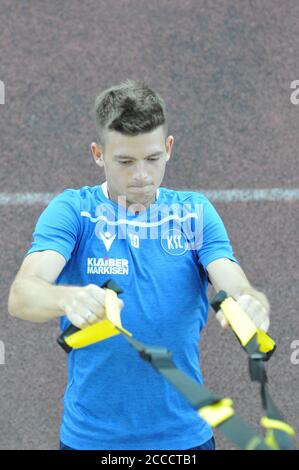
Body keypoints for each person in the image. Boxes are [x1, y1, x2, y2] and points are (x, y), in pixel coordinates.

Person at [8, 79, 270, 451]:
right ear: (98, 154)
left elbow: (232, 279)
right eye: (125, 162)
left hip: (184, 439)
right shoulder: (73, 212)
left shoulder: (193, 213)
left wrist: (247, 300)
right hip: (93, 441)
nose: (142, 175)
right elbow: (22, 295)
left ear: (168, 148)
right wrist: (66, 299)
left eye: (152, 159)